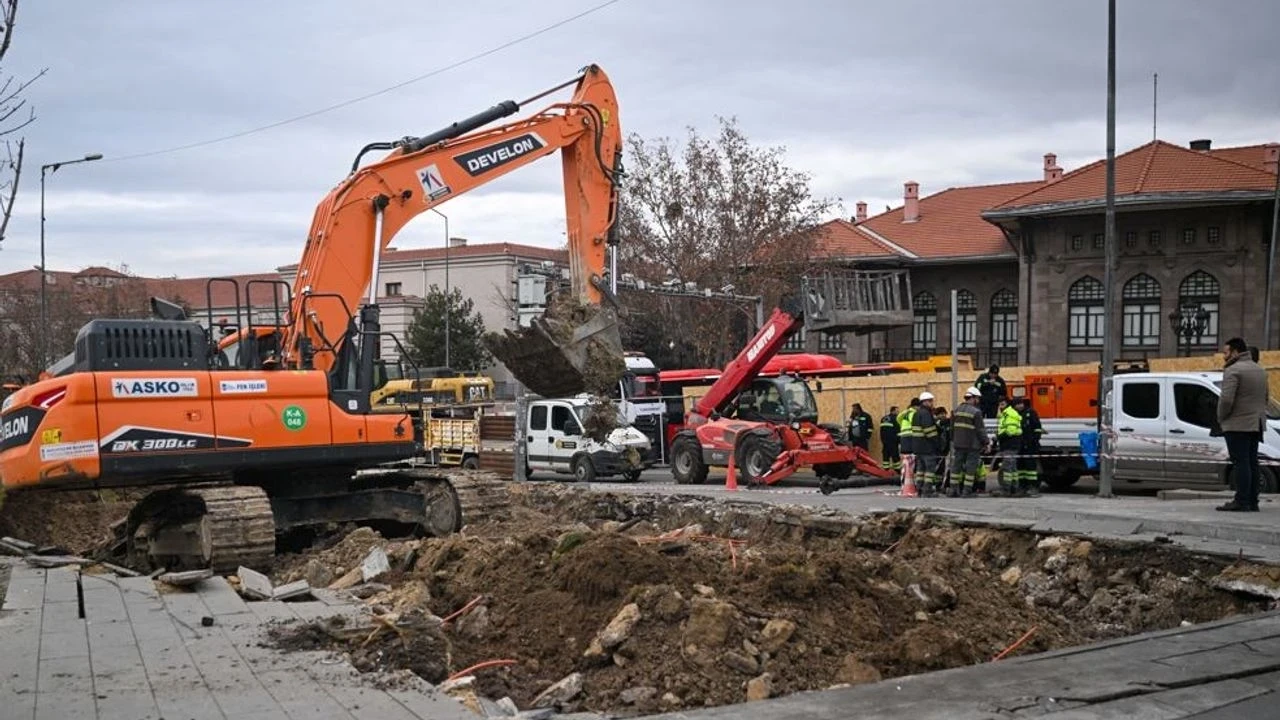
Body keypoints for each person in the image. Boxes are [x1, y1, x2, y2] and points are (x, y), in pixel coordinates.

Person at [1216, 337, 1268, 512]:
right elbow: (1265, 398)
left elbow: (1226, 400)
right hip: (1256, 424)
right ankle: (1253, 501)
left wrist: (1221, 417)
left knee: (1240, 463)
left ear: (1235, 352)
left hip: (1237, 424)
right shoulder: (1260, 370)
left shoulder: (1233, 370)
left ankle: (1241, 500)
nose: (1224, 356)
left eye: (1226, 352)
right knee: (1252, 462)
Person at [949, 387, 989, 498]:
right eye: (978, 398)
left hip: (958, 444)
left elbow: (951, 429)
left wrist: (953, 440)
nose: (978, 401)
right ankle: (966, 491)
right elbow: (980, 430)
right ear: (974, 398)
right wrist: (986, 442)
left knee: (956, 467)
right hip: (972, 445)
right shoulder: (976, 412)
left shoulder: (956, 410)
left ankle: (953, 490)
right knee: (970, 469)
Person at [911, 392, 943, 496]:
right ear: (924, 402)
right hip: (927, 446)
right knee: (930, 470)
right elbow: (930, 432)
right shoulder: (925, 414)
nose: (932, 403)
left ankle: (919, 489)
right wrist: (938, 443)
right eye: (930, 401)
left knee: (920, 470)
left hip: (918, 447)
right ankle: (927, 490)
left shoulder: (917, 413)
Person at [994, 397, 1023, 496]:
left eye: (1002, 404)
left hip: (1009, 444)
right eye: (999, 404)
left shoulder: (1009, 413)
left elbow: (1010, 431)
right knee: (1012, 468)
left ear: (1007, 404)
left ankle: (1006, 489)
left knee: (1007, 468)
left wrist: (999, 436)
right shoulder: (1007, 413)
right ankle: (1014, 488)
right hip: (1011, 444)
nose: (1000, 406)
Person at [1018, 397, 1044, 498]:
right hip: (1020, 445)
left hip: (1030, 445)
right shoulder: (1016, 414)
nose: (1019, 406)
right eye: (1017, 404)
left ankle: (1033, 487)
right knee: (1021, 467)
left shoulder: (1031, 413)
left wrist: (1034, 440)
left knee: (1031, 467)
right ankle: (1022, 486)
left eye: (1020, 404)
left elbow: (1037, 428)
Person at [899, 397, 920, 481]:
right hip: (910, 438)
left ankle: (904, 480)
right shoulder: (913, 413)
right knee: (912, 461)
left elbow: (898, 419)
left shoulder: (905, 413)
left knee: (906, 462)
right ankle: (911, 481)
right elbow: (915, 424)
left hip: (904, 438)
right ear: (916, 406)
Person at [879, 405, 900, 471]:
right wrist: (899, 440)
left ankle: (886, 469)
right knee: (895, 456)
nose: (898, 412)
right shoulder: (896, 419)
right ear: (893, 411)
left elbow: (881, 430)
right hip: (893, 440)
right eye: (897, 411)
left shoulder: (883, 418)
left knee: (886, 455)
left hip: (885, 441)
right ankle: (897, 470)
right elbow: (898, 430)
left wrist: (882, 440)